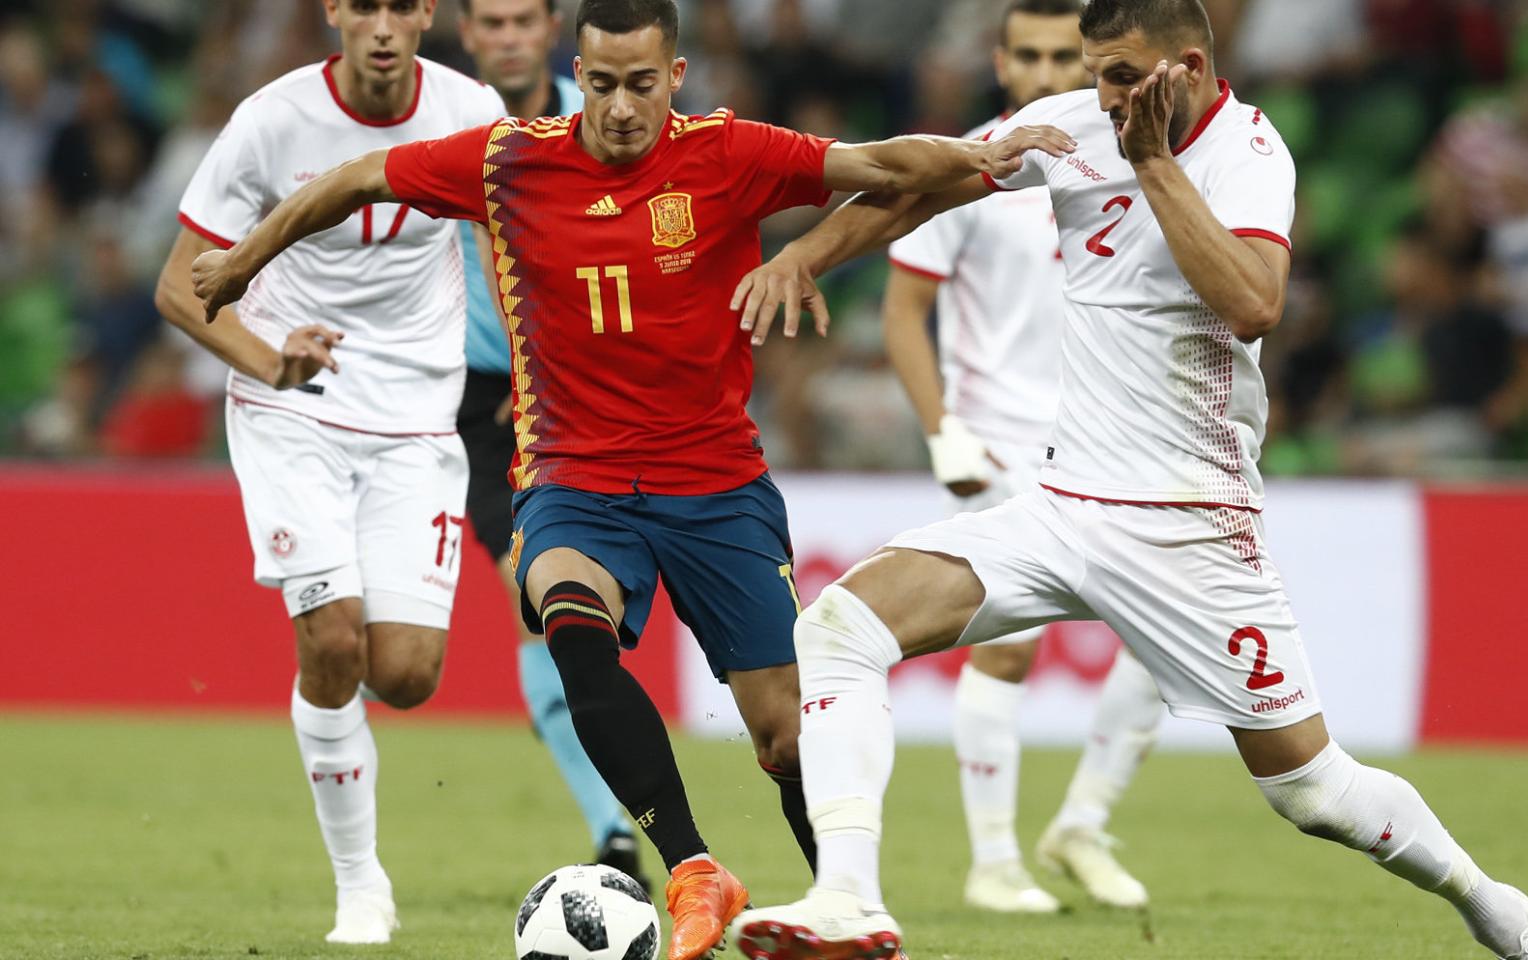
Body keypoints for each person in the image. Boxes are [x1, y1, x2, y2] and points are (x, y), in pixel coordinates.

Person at [184, 2, 1072, 956]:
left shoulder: (729, 154)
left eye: (640, 85)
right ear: (581, 72)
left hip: (718, 484)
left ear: (675, 75)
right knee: (566, 613)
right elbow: (360, 177)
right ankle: (693, 867)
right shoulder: (509, 160)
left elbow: (893, 168)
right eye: (600, 84)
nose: (616, 107)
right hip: (577, 478)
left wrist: (987, 155)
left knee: (783, 732)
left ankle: (841, 904)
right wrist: (244, 259)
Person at [728, 2, 1528, 958]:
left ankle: (1503, 913)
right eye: (1094, 71)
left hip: (1190, 525)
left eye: (1121, 75)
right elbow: (926, 190)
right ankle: (850, 898)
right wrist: (807, 253)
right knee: (839, 626)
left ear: (1186, 67)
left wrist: (1151, 163)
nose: (1103, 95)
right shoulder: (1073, 123)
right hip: (1064, 505)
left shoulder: (1250, 155)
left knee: (1310, 791)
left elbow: (1252, 303)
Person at [151, 0, 505, 945]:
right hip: (290, 407)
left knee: (406, 674)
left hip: (418, 418)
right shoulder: (273, 120)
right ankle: (360, 884)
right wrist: (272, 360)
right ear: (334, 13)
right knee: (335, 641)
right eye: (366, 5)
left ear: (428, 13)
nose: (384, 25)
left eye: (403, 4)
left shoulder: (474, 113)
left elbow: (521, 253)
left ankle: (350, 778)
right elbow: (179, 281)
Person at [881, 0, 1158, 917]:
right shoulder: (969, 165)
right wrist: (941, 430)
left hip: (1103, 438)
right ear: (1000, 62)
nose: (1044, 73)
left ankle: (1081, 822)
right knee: (1008, 651)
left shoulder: (1116, 156)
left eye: (1059, 57)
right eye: (1027, 55)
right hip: (999, 438)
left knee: (1169, 643)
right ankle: (993, 860)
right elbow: (902, 313)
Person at [455, 0, 647, 889]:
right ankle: (613, 827)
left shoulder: (608, 117)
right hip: (476, 396)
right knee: (533, 591)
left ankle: (618, 816)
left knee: (566, 608)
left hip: (579, 384)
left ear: (549, 34)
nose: (507, 37)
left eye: (522, 19)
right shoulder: (445, 125)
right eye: (489, 22)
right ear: (466, 33)